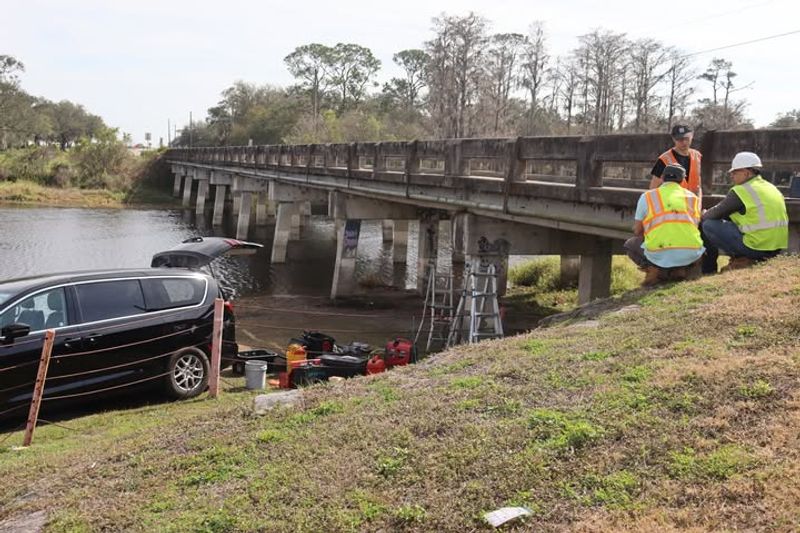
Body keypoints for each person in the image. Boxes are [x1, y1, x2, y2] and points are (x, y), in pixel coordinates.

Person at [700, 151, 788, 272]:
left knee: (709, 224)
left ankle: (742, 258)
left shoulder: (741, 191)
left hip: (756, 247)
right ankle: (747, 258)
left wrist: (703, 213)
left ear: (746, 173)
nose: (731, 175)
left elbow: (714, 214)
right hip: (776, 247)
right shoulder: (771, 187)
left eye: (734, 172)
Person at [625, 164, 704, 286]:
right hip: (691, 254)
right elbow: (695, 224)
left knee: (630, 245)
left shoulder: (648, 196)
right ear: (683, 180)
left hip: (659, 251)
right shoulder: (693, 198)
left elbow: (637, 230)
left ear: (662, 178)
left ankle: (655, 270)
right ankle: (679, 270)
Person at [649, 124, 702, 197]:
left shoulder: (697, 156)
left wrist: (698, 205)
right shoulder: (664, 159)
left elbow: (698, 186)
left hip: (692, 206)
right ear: (673, 139)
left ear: (692, 136)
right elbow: (653, 188)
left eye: (686, 138)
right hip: (671, 205)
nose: (684, 142)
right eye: (680, 139)